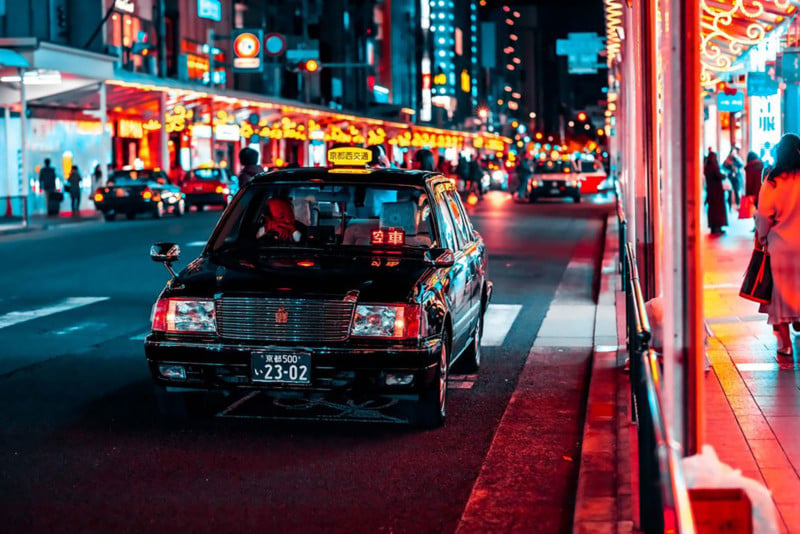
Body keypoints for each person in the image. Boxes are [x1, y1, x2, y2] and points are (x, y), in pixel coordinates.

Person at [755, 133, 800, 358]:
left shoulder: (772, 181)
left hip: (781, 246)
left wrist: (763, 237)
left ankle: (785, 345)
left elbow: (763, 214)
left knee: (780, 295)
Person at [704, 150, 728, 235]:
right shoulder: (714, 166)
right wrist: (725, 175)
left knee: (712, 210)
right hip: (717, 192)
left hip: (710, 192)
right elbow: (719, 176)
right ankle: (718, 227)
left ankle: (713, 228)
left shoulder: (707, 167)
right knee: (718, 210)